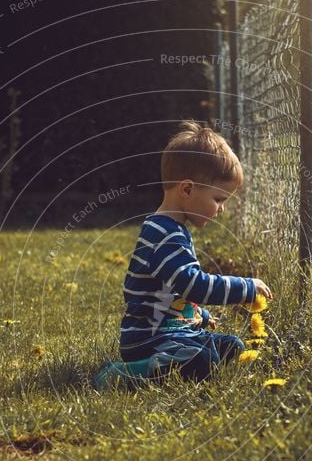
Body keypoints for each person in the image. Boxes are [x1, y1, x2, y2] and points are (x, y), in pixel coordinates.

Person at [94, 120, 272, 390]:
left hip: (174, 331)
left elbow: (175, 290)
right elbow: (194, 285)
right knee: (202, 360)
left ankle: (175, 358)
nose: (221, 209)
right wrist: (246, 287)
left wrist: (197, 316)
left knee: (231, 347)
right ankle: (124, 374)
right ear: (187, 189)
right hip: (149, 339)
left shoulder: (170, 229)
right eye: (218, 199)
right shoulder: (165, 234)